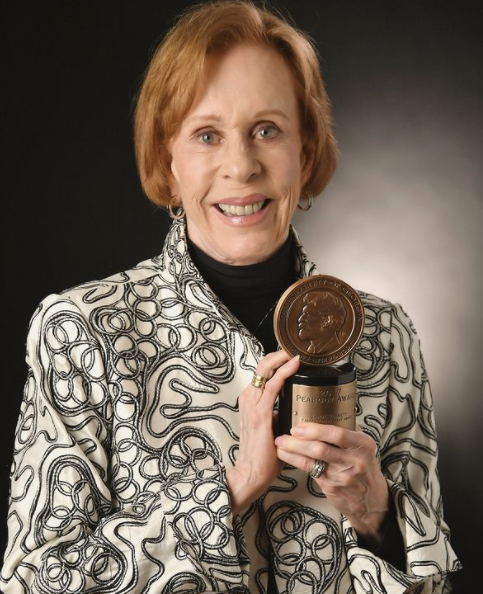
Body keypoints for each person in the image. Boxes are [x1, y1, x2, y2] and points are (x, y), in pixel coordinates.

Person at [0, 1, 461, 592]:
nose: (240, 167)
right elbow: (34, 578)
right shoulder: (81, 332)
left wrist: (377, 515)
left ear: (307, 151)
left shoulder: (385, 335)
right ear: (168, 161)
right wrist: (231, 490)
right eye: (207, 135)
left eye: (266, 130)